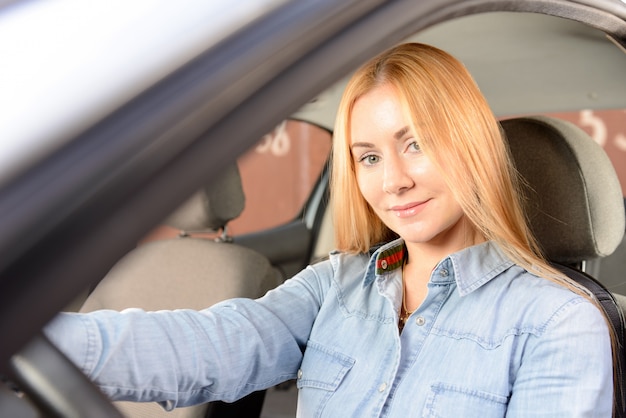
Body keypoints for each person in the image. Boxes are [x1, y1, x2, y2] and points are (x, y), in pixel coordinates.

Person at [45, 43, 613, 417]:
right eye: (367, 157)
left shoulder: (558, 322)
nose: (393, 181)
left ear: (473, 147)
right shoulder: (335, 286)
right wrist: (31, 340)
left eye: (415, 144)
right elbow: (204, 346)